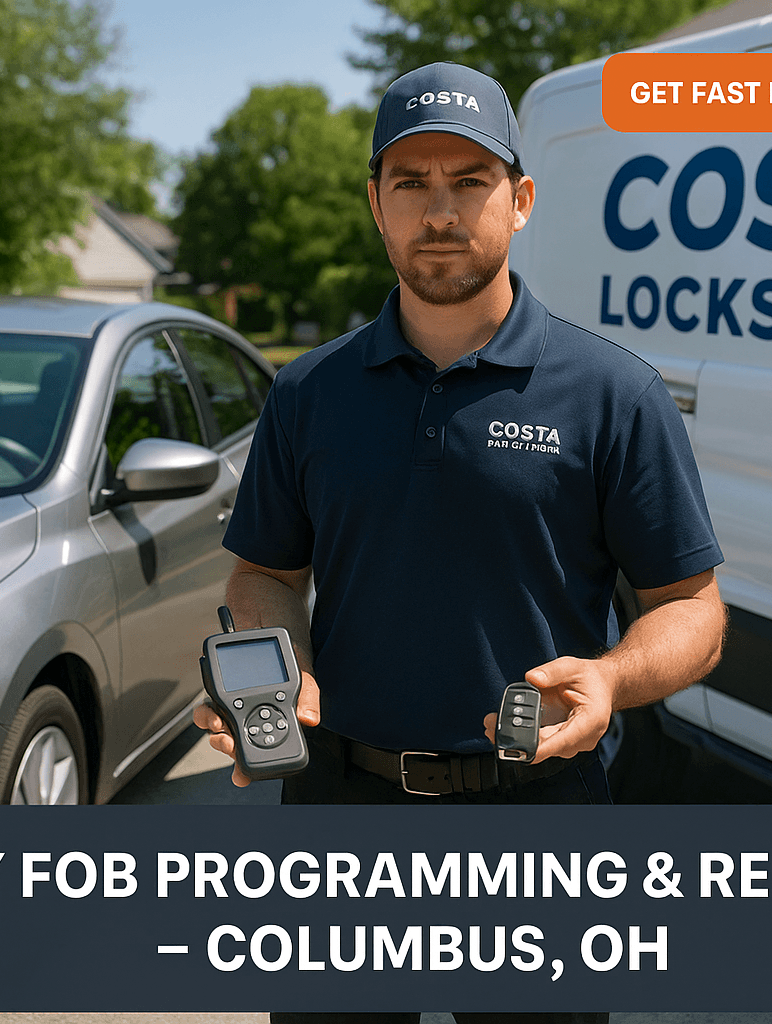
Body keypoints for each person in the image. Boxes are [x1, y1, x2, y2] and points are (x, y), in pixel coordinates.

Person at [194, 61, 727, 1024]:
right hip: (342, 812)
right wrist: (279, 672)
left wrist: (612, 678)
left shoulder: (614, 394)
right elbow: (264, 571)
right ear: (376, 205)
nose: (439, 212)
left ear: (520, 201)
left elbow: (693, 609)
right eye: (411, 183)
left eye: (470, 180)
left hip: (541, 817)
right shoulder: (308, 393)